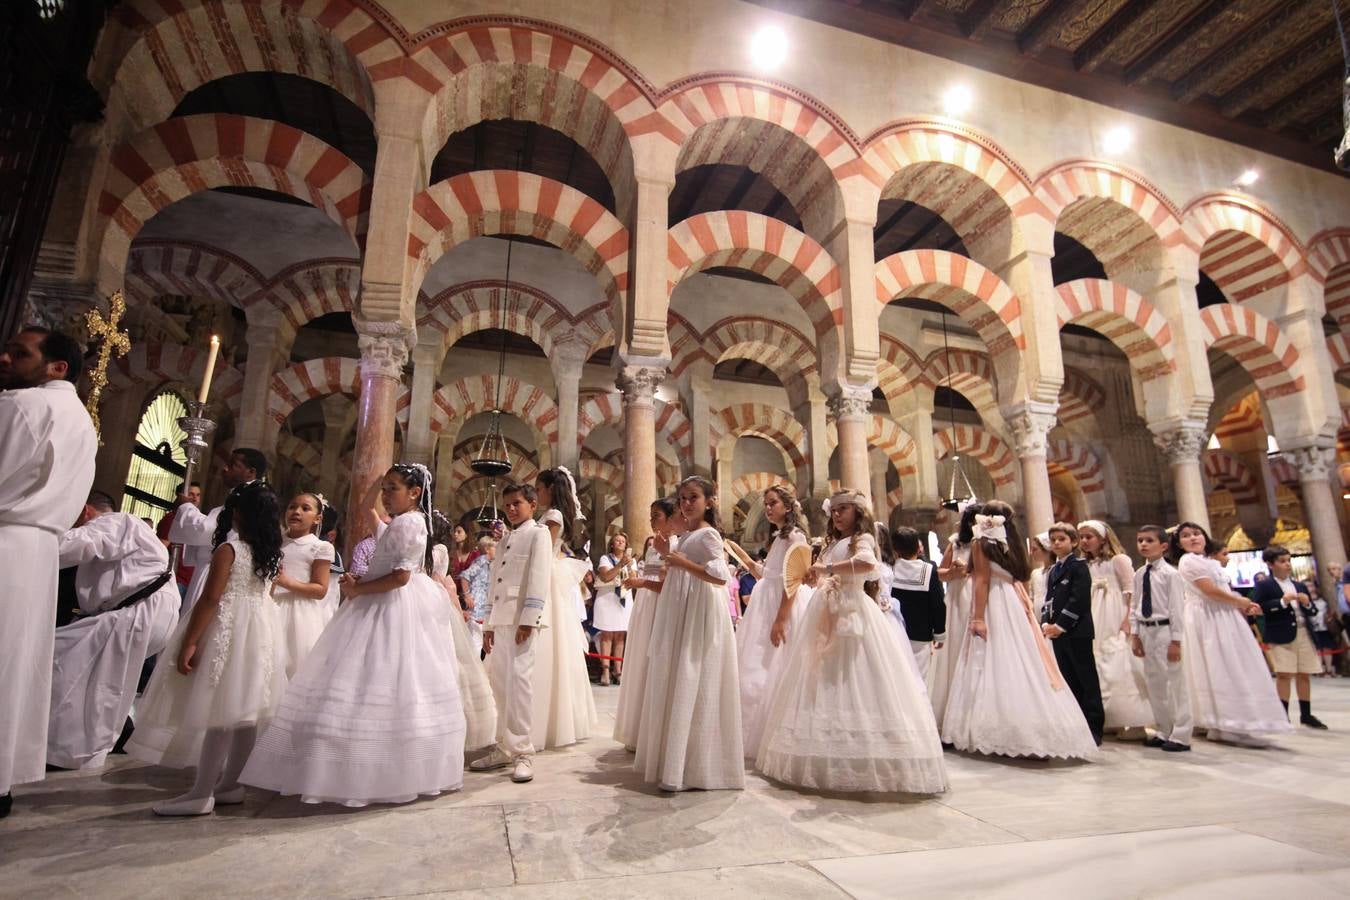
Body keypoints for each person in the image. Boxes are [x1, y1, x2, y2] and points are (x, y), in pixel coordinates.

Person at [241, 464, 466, 806]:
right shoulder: (398, 523)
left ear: (415, 492)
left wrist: (360, 590)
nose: (387, 494)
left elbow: (400, 578)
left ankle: (372, 769)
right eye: (386, 488)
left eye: (393, 488)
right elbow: (368, 513)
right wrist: (375, 483)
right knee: (364, 680)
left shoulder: (409, 523)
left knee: (384, 679)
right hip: (378, 599)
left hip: (392, 605)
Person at [757, 490, 947, 793]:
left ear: (857, 512)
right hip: (826, 610)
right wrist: (814, 576)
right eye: (834, 510)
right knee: (822, 676)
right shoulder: (833, 543)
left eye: (843, 509)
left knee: (856, 675)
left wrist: (828, 570)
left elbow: (866, 564)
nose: (837, 515)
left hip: (853, 612)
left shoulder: (862, 539)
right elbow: (823, 572)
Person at [127, 482, 285, 816]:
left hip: (228, 626)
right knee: (244, 716)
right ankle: (229, 785)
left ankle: (201, 793)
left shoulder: (230, 550)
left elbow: (211, 598)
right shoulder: (270, 553)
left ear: (238, 514)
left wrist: (191, 641)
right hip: (259, 629)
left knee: (219, 714)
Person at [0, 326, 98, 819]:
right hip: (37, 552)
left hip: (5, 535)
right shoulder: (82, 422)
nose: (6, 358)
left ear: (57, 367)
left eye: (20, 353)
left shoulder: (21, 406)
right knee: (15, 665)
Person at [942, 504, 1097, 760]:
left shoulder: (982, 542)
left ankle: (1003, 730)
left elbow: (981, 580)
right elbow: (1020, 576)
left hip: (994, 602)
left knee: (993, 661)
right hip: (1013, 601)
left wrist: (978, 617)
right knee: (1022, 661)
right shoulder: (1012, 540)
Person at [48, 490, 180, 770]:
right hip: (147, 611)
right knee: (103, 682)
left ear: (85, 510)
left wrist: (34, 538)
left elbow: (75, 544)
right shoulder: (130, 526)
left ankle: (74, 750)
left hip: (138, 611)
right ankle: (109, 738)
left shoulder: (113, 521)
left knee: (63, 665)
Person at [635, 476, 744, 792]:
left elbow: (720, 577)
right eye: (682, 498)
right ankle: (676, 762)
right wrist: (668, 550)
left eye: (693, 497)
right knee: (677, 675)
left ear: (709, 501)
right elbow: (681, 564)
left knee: (692, 673)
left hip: (699, 610)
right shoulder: (689, 534)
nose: (686, 503)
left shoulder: (709, 534)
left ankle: (693, 767)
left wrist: (679, 561)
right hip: (681, 606)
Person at [1168, 522, 1293, 747]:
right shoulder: (1189, 561)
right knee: (1220, 665)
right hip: (1207, 617)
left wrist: (1242, 605)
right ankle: (1224, 722)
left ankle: (1234, 721)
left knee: (1234, 664)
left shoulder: (1207, 560)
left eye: (1196, 534)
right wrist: (1240, 601)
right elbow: (1209, 590)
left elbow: (1222, 591)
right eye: (1186, 536)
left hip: (1223, 614)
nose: (1193, 538)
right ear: (1179, 543)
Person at [468, 483, 554, 784]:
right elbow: (495, 581)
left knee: (519, 685)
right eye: (507, 505)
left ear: (532, 504)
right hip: (501, 621)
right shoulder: (503, 540)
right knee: (499, 684)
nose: (512, 509)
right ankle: (503, 746)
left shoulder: (538, 534)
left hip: (521, 622)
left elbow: (539, 578)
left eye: (517, 503)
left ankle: (523, 753)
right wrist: (489, 624)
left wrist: (529, 620)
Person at [736, 483, 811, 759]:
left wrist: (780, 619)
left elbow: (793, 579)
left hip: (782, 604)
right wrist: (743, 557)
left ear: (788, 507)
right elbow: (768, 574)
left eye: (772, 503)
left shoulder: (796, 537)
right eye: (765, 504)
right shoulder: (779, 537)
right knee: (758, 666)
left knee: (775, 665)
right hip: (765, 601)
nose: (767, 508)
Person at [531, 467, 597, 749]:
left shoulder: (553, 516)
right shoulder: (550, 515)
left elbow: (543, 550)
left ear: (549, 489)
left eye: (539, 488)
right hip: (548, 574)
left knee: (549, 643)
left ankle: (547, 718)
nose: (536, 493)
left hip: (545, 577)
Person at [613, 499, 681, 751]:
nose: (652, 521)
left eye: (657, 516)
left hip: (659, 605)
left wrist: (642, 583)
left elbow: (668, 585)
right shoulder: (654, 545)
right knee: (640, 661)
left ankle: (655, 731)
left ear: (670, 518)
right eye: (651, 516)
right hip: (644, 604)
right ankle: (639, 729)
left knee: (654, 662)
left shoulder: (673, 545)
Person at [169, 448, 268, 613]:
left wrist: (185, 508)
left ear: (250, 472)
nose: (225, 468)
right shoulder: (247, 495)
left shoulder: (245, 499)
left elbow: (208, 531)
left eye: (232, 465)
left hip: (216, 573)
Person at [1077, 520, 1152, 738]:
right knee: (1100, 664)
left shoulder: (1119, 560)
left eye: (1088, 537)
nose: (1084, 541)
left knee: (1122, 663)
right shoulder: (1087, 565)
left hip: (1115, 612)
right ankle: (1110, 718)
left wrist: (1128, 618)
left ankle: (1135, 722)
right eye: (1081, 537)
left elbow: (1131, 590)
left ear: (1103, 538)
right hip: (1095, 614)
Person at [429, 514, 497, 753]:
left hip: (441, 601)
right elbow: (457, 580)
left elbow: (447, 580)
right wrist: (465, 598)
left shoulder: (439, 551)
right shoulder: (478, 561)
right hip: (454, 602)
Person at [1129, 526, 1192, 752]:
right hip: (1146, 631)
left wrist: (1176, 641)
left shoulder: (1171, 574)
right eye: (1140, 540)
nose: (1143, 545)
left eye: (1149, 540)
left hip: (1164, 630)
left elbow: (1176, 609)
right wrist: (1135, 635)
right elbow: (1135, 605)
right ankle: (1164, 729)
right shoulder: (1139, 574)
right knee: (1154, 683)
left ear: (1163, 546)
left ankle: (1181, 734)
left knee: (1175, 683)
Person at [1042, 522, 1105, 745]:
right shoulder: (1053, 571)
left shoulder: (1078, 566)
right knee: (1068, 680)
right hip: (1057, 633)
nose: (1057, 543)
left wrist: (1060, 626)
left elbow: (1078, 600)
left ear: (1074, 542)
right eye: (1053, 540)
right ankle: (1077, 726)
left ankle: (1094, 728)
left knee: (1085, 679)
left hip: (1076, 631)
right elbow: (1048, 599)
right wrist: (1045, 623)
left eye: (1062, 539)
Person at [1253, 546, 1328, 730]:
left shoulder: (1300, 585)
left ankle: (1306, 714)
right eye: (1282, 561)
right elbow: (1261, 607)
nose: (1287, 565)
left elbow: (1312, 611)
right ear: (1271, 564)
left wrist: (1307, 603)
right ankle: (1282, 715)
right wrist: (1282, 602)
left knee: (1304, 673)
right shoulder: (1265, 585)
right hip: (1281, 633)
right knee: (1284, 674)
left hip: (1303, 631)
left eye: (1289, 561)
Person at [272, 492, 334, 679]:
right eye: (292, 507)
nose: (296, 512)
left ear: (317, 518)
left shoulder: (320, 547)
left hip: (298, 612)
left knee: (292, 666)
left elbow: (320, 589)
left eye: (305, 508)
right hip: (270, 605)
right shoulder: (275, 541)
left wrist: (286, 581)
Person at [928, 504, 979, 722]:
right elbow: (940, 573)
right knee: (956, 648)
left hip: (979, 595)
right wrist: (953, 572)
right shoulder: (956, 543)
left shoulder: (989, 544)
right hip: (959, 597)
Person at [890, 526, 946, 680]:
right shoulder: (928, 570)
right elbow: (937, 604)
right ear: (918, 547)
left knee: (901, 678)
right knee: (920, 679)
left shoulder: (890, 571)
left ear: (895, 549)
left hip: (896, 632)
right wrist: (939, 633)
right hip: (921, 635)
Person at [593, 532, 634, 686]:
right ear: (612, 544)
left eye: (623, 541)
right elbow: (605, 577)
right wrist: (620, 564)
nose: (620, 542)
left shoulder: (631, 560)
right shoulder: (605, 559)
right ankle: (605, 671)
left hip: (623, 599)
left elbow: (633, 579)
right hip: (607, 599)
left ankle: (618, 670)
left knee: (620, 635)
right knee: (607, 635)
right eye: (617, 540)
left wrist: (630, 567)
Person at [156, 482, 202, 591]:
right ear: (181, 496)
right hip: (176, 579)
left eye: (198, 495)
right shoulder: (172, 518)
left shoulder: (196, 520)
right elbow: (160, 548)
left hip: (191, 580)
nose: (195, 498)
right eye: (191, 494)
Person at [1028, 532, 1052, 620]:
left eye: (1035, 549)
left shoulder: (1057, 570)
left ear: (1046, 549)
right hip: (1038, 617)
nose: (1031, 553)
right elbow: (1031, 596)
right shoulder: (1035, 573)